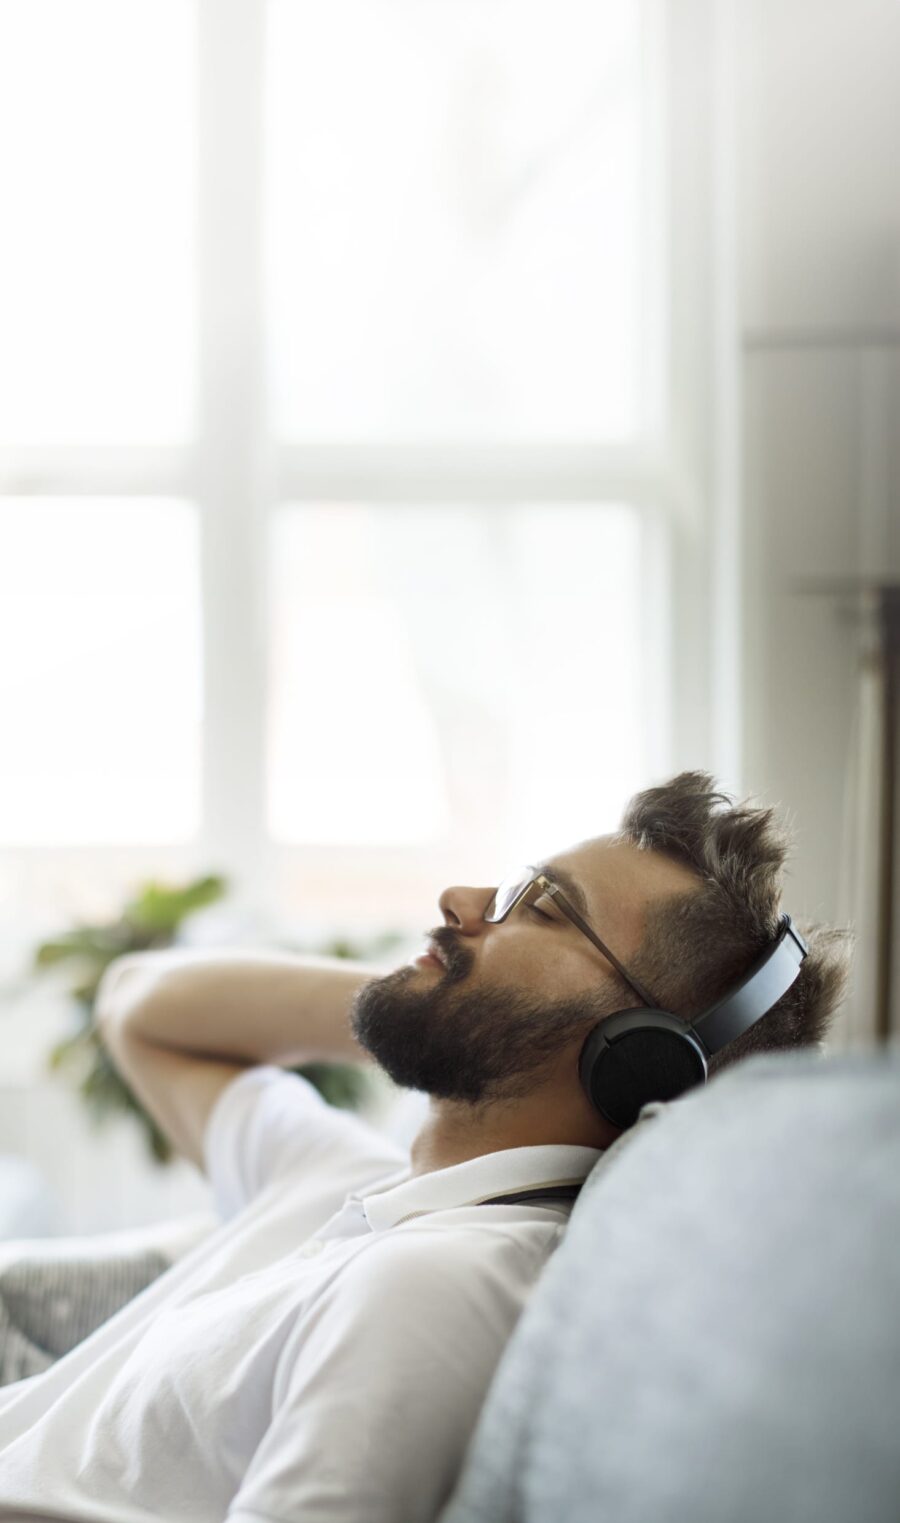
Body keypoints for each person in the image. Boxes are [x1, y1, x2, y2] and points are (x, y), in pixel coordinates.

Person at [0, 772, 850, 1523]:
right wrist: (452, 1009)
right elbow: (139, 1006)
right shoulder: (355, 1183)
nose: (462, 898)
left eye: (543, 907)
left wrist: (472, 1002)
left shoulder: (437, 1286)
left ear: (639, 1055)